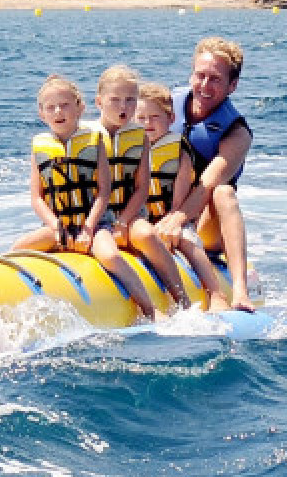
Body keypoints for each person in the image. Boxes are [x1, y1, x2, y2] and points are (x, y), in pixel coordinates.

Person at [13, 75, 164, 321]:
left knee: (111, 256)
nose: (58, 112)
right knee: (18, 248)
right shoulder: (39, 147)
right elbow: (37, 198)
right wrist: (54, 225)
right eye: (50, 107)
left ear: (80, 108)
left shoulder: (94, 142)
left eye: (65, 105)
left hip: (93, 225)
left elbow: (104, 191)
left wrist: (88, 228)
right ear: (42, 114)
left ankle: (149, 308)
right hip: (58, 227)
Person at [153, 37, 255, 311]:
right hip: (158, 209)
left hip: (205, 223)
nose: (204, 86)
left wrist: (177, 220)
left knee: (224, 191)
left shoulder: (237, 132)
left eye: (215, 79)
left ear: (232, 86)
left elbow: (207, 183)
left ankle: (240, 292)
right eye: (200, 75)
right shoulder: (163, 107)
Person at [92, 66, 190, 309]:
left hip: (131, 214)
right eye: (114, 100)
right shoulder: (87, 136)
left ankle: (183, 301)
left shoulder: (140, 138)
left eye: (130, 100)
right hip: (97, 218)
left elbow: (141, 188)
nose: (123, 107)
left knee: (146, 235)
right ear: (99, 102)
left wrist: (123, 222)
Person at [136, 82, 231, 312]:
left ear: (170, 119)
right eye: (141, 117)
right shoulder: (133, 148)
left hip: (173, 217)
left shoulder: (178, 148)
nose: (148, 123)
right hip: (142, 221)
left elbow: (179, 196)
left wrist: (170, 221)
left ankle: (216, 294)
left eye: (154, 117)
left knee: (188, 243)